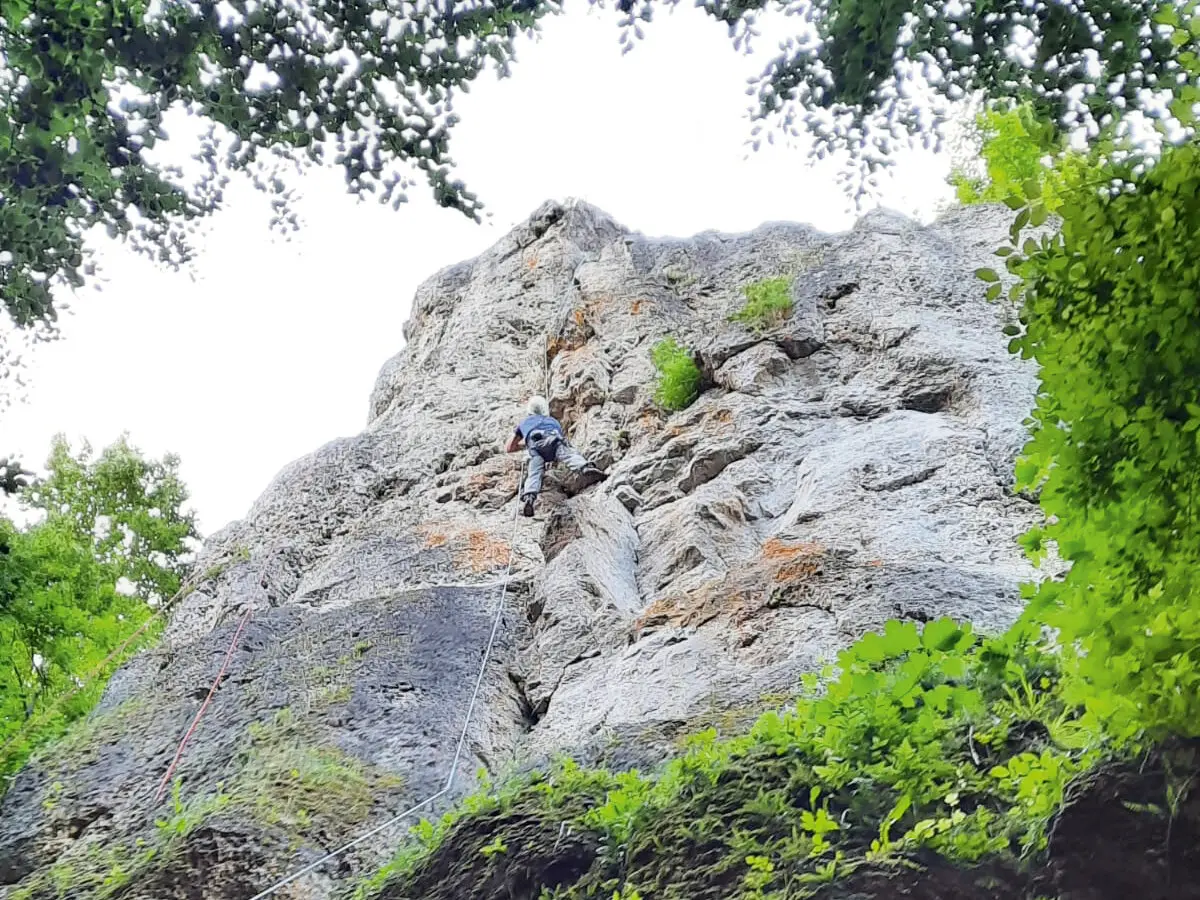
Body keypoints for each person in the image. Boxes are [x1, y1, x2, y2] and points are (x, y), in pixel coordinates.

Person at [506, 396, 606, 517]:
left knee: (534, 472)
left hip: (534, 447)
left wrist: (525, 445)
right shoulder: (553, 421)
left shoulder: (524, 423)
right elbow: (559, 437)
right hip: (552, 440)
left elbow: (509, 448)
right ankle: (584, 467)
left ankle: (530, 497)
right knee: (567, 453)